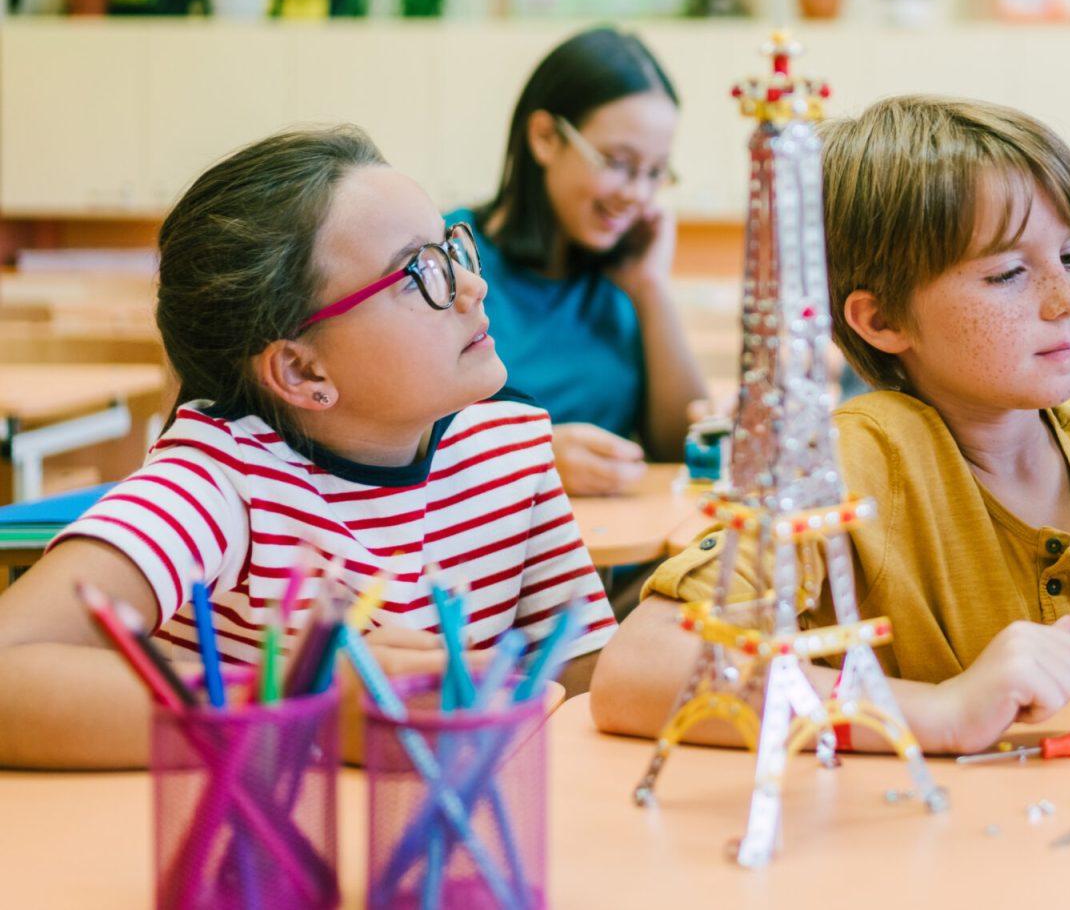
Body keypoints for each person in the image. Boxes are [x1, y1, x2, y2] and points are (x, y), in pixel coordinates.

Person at [591, 96, 1070, 755]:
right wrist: (939, 711)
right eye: (1009, 273)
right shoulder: (850, 461)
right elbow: (638, 669)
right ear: (882, 321)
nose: (1068, 302)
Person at [0, 126, 617, 768]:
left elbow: (585, 685)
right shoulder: (222, 480)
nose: (471, 287)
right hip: (259, 854)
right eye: (418, 274)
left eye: (454, 250)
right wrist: (298, 707)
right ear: (301, 371)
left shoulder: (508, 450)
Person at [454, 27, 711, 496]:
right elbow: (391, 435)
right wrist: (528, 457)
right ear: (546, 137)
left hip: (613, 558)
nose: (636, 193)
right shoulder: (448, 256)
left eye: (655, 172)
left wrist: (651, 289)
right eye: (617, 162)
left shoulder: (623, 276)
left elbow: (684, 450)